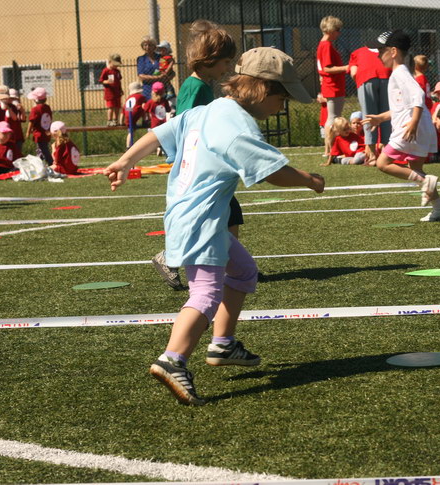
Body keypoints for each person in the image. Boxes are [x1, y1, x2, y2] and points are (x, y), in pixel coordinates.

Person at [103, 47, 325, 406]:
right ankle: (172, 359)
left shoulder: (209, 111)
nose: (281, 107)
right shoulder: (236, 125)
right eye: (281, 98)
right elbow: (270, 172)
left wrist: (126, 160)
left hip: (191, 215)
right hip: (202, 220)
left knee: (242, 270)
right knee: (205, 293)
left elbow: (161, 133)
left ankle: (222, 343)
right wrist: (310, 180)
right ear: (263, 89)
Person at [152, 19, 240, 293]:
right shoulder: (197, 87)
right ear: (210, 60)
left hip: (204, 163)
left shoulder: (200, 84)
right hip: (199, 167)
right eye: (226, 62)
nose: (228, 68)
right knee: (217, 214)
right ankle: (169, 257)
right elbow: (188, 123)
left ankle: (230, 265)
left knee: (231, 214)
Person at [364, 29, 440, 223]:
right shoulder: (400, 73)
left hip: (411, 129)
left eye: (381, 50)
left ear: (393, 51)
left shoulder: (399, 73)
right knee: (415, 169)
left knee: (382, 163)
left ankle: (426, 183)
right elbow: (401, 107)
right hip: (419, 128)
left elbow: (418, 96)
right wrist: (380, 118)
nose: (378, 55)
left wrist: (412, 122)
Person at [348, 41, 391, 164]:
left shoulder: (357, 52)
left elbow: (354, 72)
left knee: (368, 115)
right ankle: (386, 153)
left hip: (366, 77)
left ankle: (372, 155)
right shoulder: (388, 50)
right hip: (387, 76)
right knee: (387, 115)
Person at [317, 16, 348, 158]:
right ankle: (329, 150)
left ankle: (329, 150)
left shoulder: (323, 44)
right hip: (333, 86)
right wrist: (347, 67)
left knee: (332, 118)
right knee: (333, 118)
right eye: (337, 30)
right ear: (330, 30)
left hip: (331, 86)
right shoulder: (326, 45)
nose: (339, 33)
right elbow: (327, 68)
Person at [25, 87, 53, 165]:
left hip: (39, 134)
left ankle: (50, 162)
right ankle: (39, 161)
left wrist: (28, 132)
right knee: (41, 148)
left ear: (36, 100)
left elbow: (31, 121)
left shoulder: (35, 109)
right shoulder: (47, 107)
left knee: (43, 148)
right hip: (46, 132)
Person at [0, 85, 24, 154]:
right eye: (1, 99)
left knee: (14, 153)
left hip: (12, 136)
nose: (4, 100)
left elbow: (15, 118)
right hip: (1, 136)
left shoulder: (12, 107)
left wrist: (8, 108)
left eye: (6, 98)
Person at [137, 35, 166, 100]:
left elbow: (168, 71)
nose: (147, 47)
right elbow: (141, 76)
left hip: (160, 88)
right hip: (147, 89)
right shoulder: (141, 59)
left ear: (154, 46)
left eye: (150, 45)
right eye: (145, 45)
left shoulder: (161, 58)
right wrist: (157, 77)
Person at [100, 53, 123, 126]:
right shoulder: (106, 71)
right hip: (110, 93)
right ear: (110, 62)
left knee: (117, 107)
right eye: (115, 64)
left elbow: (119, 81)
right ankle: (109, 120)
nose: (116, 66)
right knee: (110, 107)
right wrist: (106, 81)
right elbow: (101, 80)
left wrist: (121, 89)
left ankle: (115, 120)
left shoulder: (117, 71)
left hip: (117, 93)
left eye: (117, 65)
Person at [124, 82, 147, 146]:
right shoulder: (141, 97)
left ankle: (128, 146)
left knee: (131, 131)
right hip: (134, 114)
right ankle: (145, 120)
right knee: (143, 107)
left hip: (128, 115)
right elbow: (144, 106)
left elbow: (125, 108)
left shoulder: (128, 98)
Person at [155, 40, 177, 109]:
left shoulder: (168, 57)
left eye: (163, 49)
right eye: (160, 49)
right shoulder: (160, 57)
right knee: (162, 82)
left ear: (167, 50)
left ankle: (170, 93)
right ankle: (164, 93)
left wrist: (167, 70)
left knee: (167, 82)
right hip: (161, 71)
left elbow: (171, 63)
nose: (161, 51)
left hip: (166, 71)